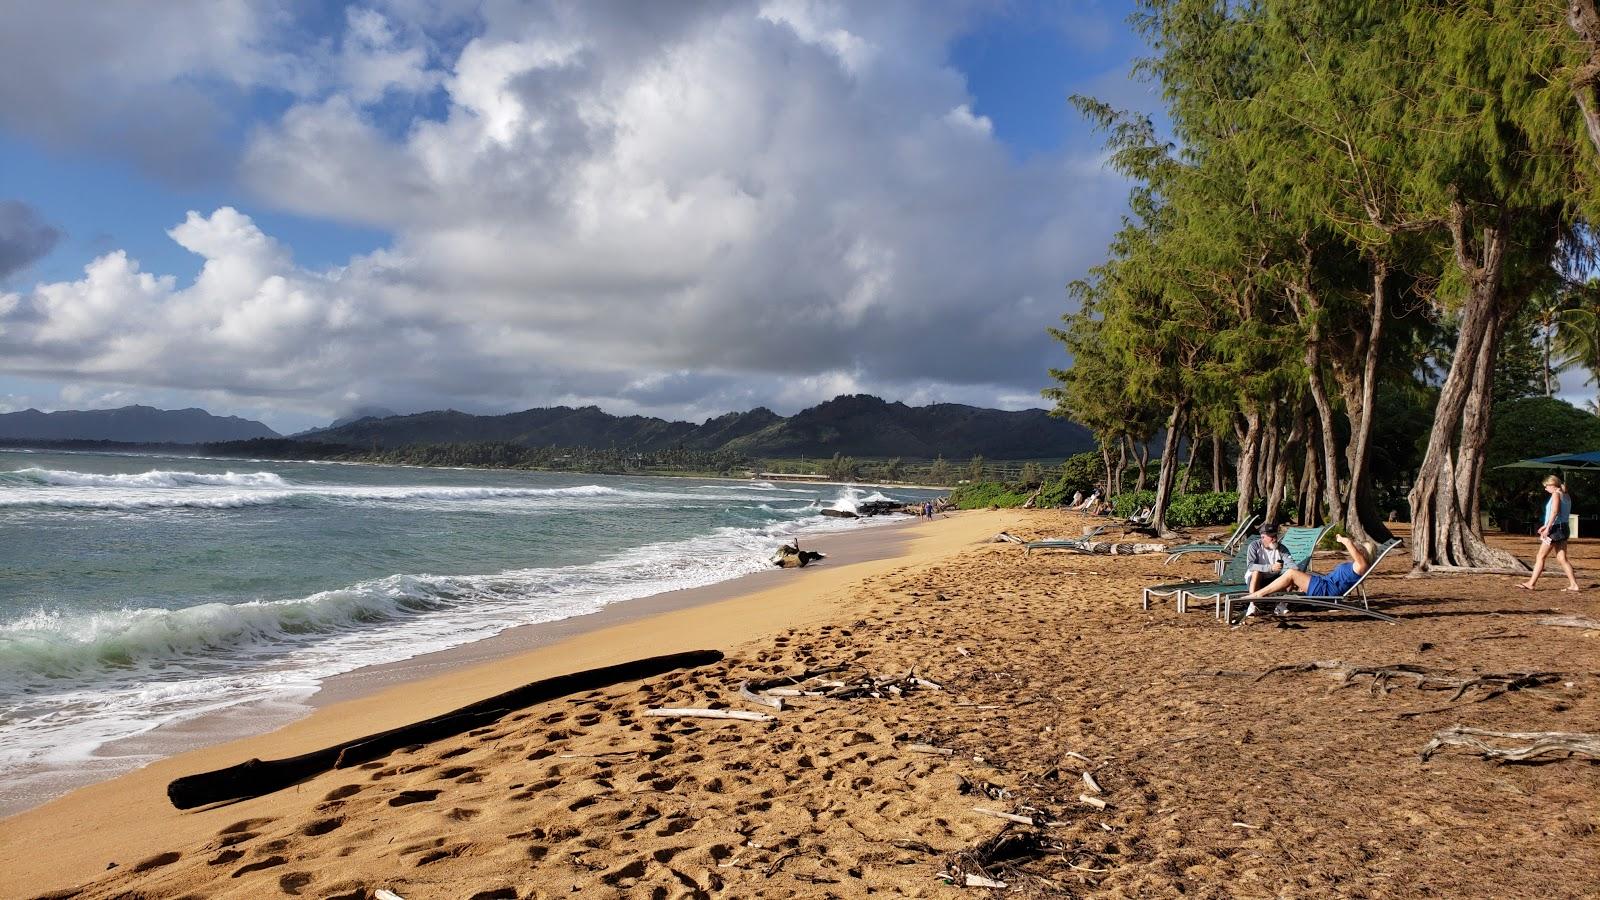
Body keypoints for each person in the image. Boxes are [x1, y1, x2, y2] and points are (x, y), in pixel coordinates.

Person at [1239, 533, 1369, 618]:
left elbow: (1351, 548)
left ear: (1364, 554)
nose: (1357, 550)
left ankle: (1257, 595)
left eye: (1360, 549)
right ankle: (1275, 602)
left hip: (1327, 590)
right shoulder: (1357, 566)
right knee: (1292, 574)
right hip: (1324, 584)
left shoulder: (1361, 566)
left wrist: (1344, 541)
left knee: (1290, 573)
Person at [1521, 474, 1579, 592]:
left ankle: (1531, 583)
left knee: (1540, 556)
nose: (1545, 488)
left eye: (1546, 486)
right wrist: (1545, 525)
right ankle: (1574, 585)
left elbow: (1555, 512)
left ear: (1552, 484)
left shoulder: (1556, 494)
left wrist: (1548, 528)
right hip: (1563, 528)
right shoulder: (1566, 495)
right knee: (1562, 558)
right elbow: (1561, 515)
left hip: (1555, 530)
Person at [1244, 523, 1300, 593]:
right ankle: (1252, 601)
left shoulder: (1281, 548)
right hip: (1256, 580)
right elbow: (1250, 566)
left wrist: (1297, 574)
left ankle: (1283, 602)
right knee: (1256, 572)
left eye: (1275, 536)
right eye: (1272, 537)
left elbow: (1291, 563)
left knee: (1290, 575)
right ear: (1263, 537)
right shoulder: (1254, 546)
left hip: (1273, 579)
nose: (1275, 539)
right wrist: (1271, 568)